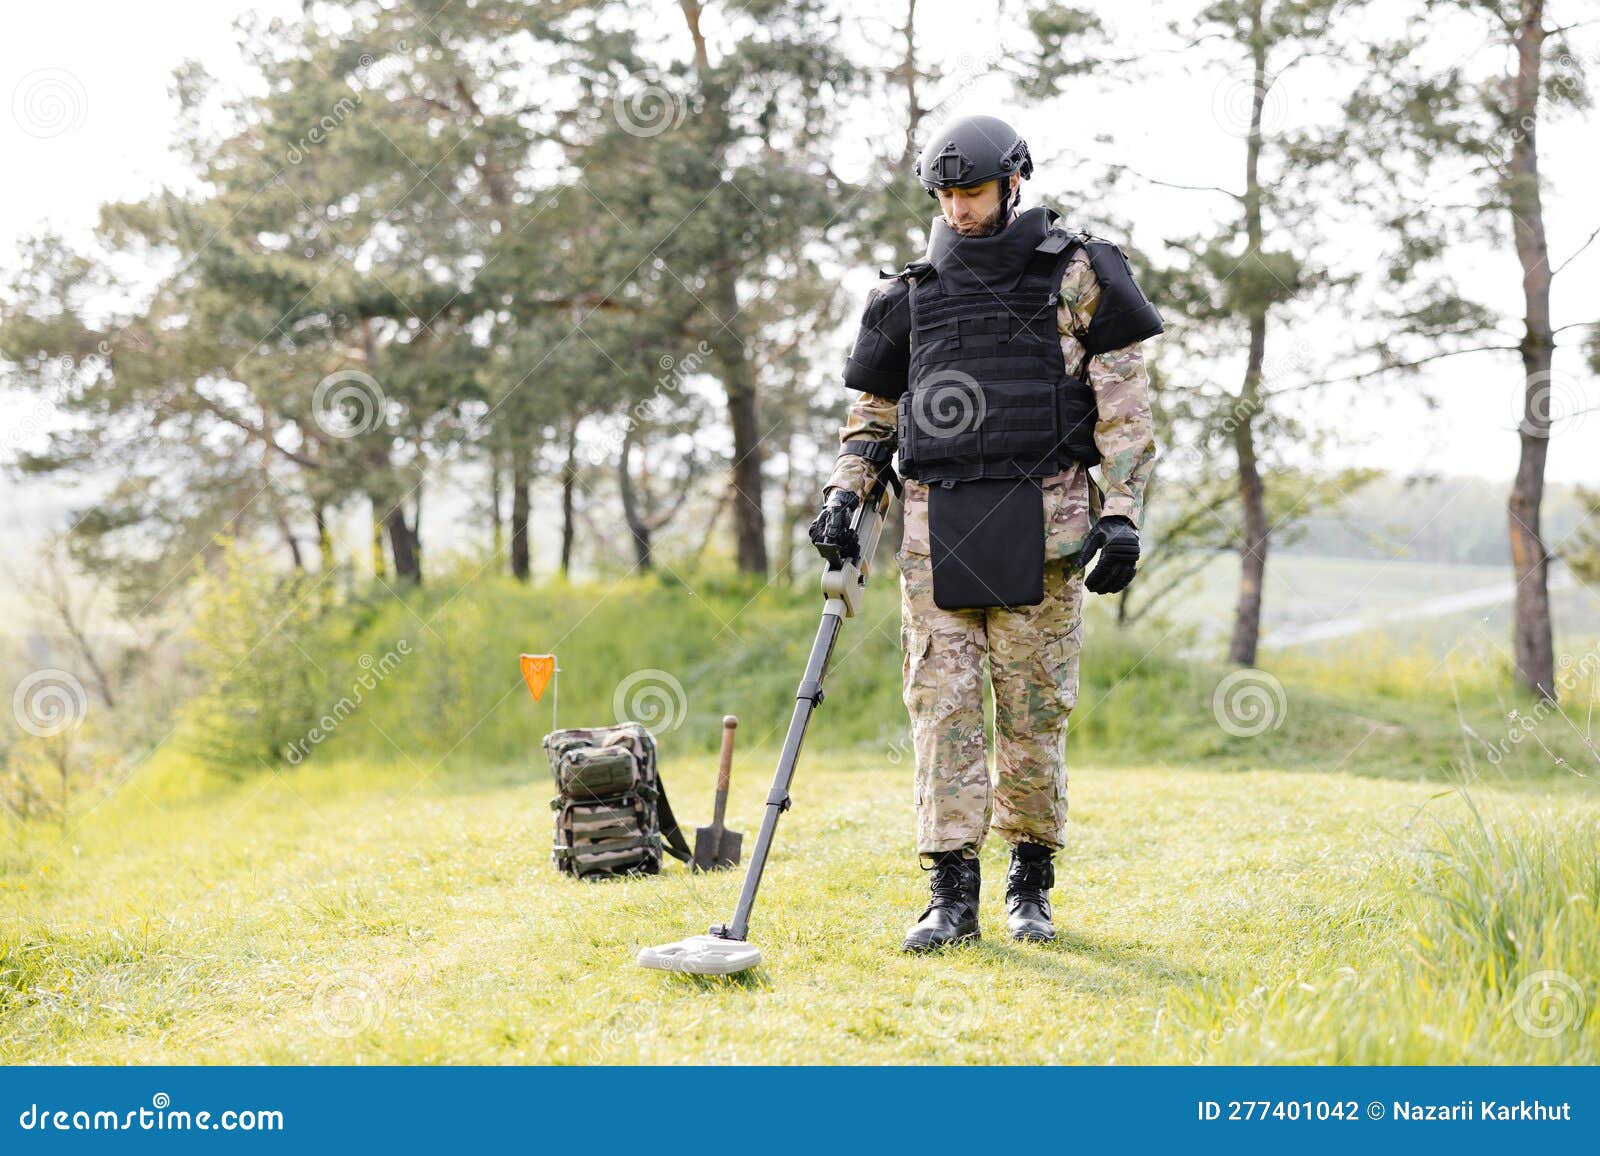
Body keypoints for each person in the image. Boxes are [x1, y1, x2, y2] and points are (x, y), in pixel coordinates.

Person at [808, 114, 1161, 951]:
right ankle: (948, 895)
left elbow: (1125, 410)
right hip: (936, 528)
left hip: (1049, 522)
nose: (957, 210)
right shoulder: (911, 294)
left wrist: (1122, 515)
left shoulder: (1080, 275)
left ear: (1013, 184)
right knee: (943, 710)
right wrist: (845, 498)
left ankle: (1030, 884)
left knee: (1033, 713)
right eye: (945, 195)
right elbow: (874, 418)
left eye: (971, 192)